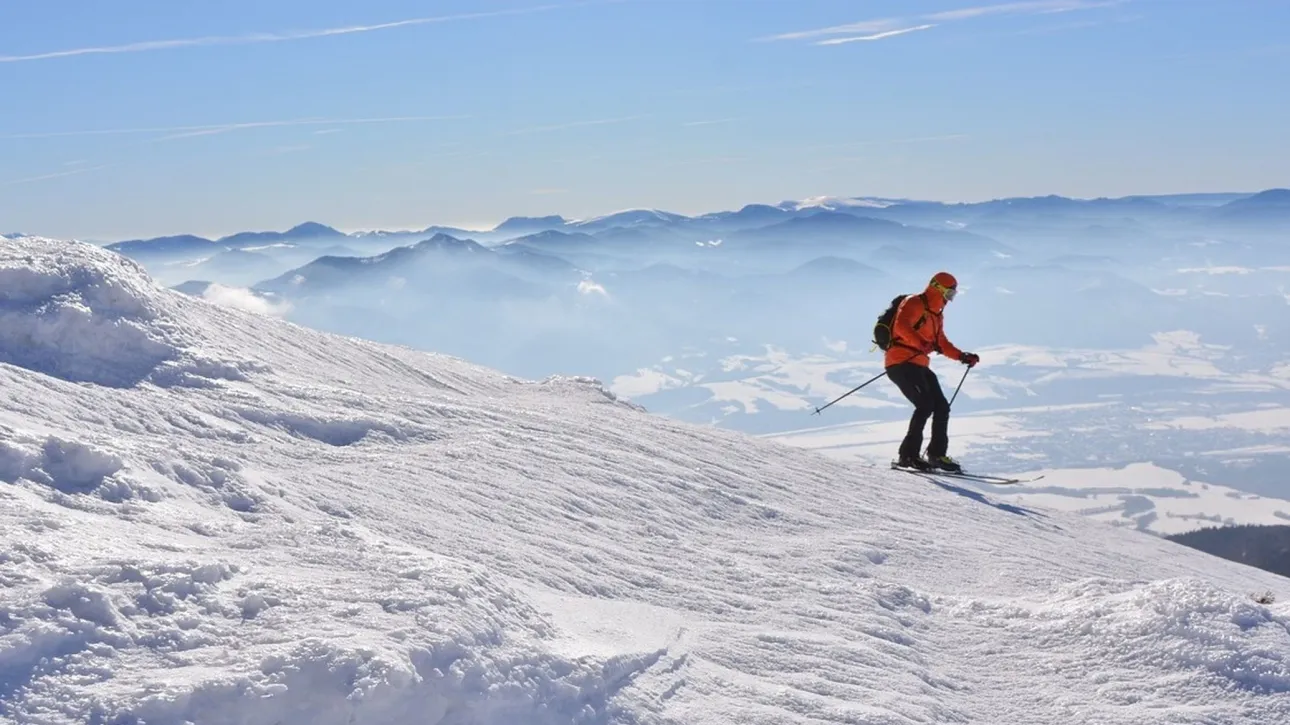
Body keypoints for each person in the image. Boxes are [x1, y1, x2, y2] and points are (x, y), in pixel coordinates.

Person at [884, 271, 979, 473]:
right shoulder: (914, 303)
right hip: (900, 362)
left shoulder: (936, 314)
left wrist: (962, 356)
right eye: (949, 293)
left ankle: (936, 455)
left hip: (919, 365)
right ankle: (907, 456)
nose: (950, 299)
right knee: (925, 404)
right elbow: (901, 326)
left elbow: (941, 343)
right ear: (938, 288)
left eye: (953, 295)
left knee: (941, 406)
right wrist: (919, 343)